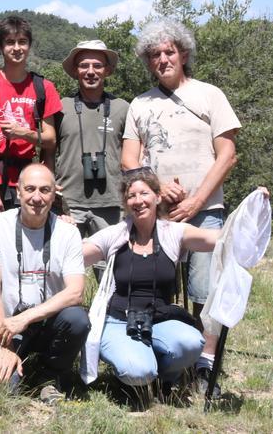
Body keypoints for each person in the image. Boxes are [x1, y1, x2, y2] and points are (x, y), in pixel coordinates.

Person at [120, 18, 240, 394]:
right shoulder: (140, 104)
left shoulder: (210, 95)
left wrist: (197, 199)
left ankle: (205, 367)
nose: (162, 59)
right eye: (154, 54)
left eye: (169, 52)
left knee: (205, 290)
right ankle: (170, 364)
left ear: (183, 54)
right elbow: (129, 160)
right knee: (162, 289)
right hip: (157, 215)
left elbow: (228, 154)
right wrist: (157, 189)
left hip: (205, 211)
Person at [81, 169, 220, 394]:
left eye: (144, 193)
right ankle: (138, 373)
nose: (138, 201)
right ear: (126, 203)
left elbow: (218, 239)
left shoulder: (173, 233)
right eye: (131, 196)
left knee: (192, 343)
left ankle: (162, 378)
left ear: (157, 196)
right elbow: (75, 256)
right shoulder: (115, 235)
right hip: (118, 321)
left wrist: (252, 211)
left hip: (160, 320)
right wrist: (59, 228)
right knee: (137, 371)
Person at [0, 163, 89, 401]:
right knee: (3, 391)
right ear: (18, 192)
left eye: (45, 190)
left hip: (44, 323)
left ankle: (48, 374)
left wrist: (26, 317)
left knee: (77, 319)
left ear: (53, 194)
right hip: (3, 323)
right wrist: (5, 345)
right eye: (30, 189)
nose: (37, 197)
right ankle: (17, 361)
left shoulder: (68, 232)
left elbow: (76, 292)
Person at [0, 15, 62, 216]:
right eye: (10, 42)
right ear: (0, 46)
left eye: (22, 42)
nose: (17, 48)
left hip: (28, 181)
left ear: (30, 45)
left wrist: (23, 133)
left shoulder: (44, 88)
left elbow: (50, 140)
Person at [53, 41, 129, 258]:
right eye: (84, 65)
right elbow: (48, 151)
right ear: (76, 71)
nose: (90, 71)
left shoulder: (122, 108)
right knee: (62, 269)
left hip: (111, 203)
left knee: (111, 272)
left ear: (107, 70)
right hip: (68, 203)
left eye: (97, 65)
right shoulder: (61, 107)